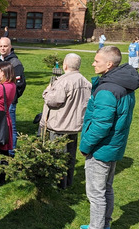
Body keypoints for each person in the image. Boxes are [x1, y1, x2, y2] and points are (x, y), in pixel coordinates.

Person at [68, 46, 139, 229]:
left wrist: (85, 145)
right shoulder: (122, 84)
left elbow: (101, 125)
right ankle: (103, 227)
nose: (92, 63)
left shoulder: (108, 90)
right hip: (114, 147)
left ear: (109, 64)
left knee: (96, 192)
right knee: (106, 188)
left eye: (97, 60)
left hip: (101, 149)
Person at [39, 53, 91, 189]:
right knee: (70, 156)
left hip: (60, 125)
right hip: (74, 126)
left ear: (65, 65)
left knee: (58, 157)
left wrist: (47, 90)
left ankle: (58, 185)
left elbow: (52, 101)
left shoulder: (63, 81)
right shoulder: (86, 82)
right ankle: (68, 182)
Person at [0, 37, 26, 156]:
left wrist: (12, 97)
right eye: (0, 46)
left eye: (5, 46)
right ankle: (1, 147)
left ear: (10, 47)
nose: (3, 48)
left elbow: (20, 84)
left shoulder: (15, 63)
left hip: (9, 102)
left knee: (10, 127)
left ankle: (11, 151)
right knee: (0, 125)